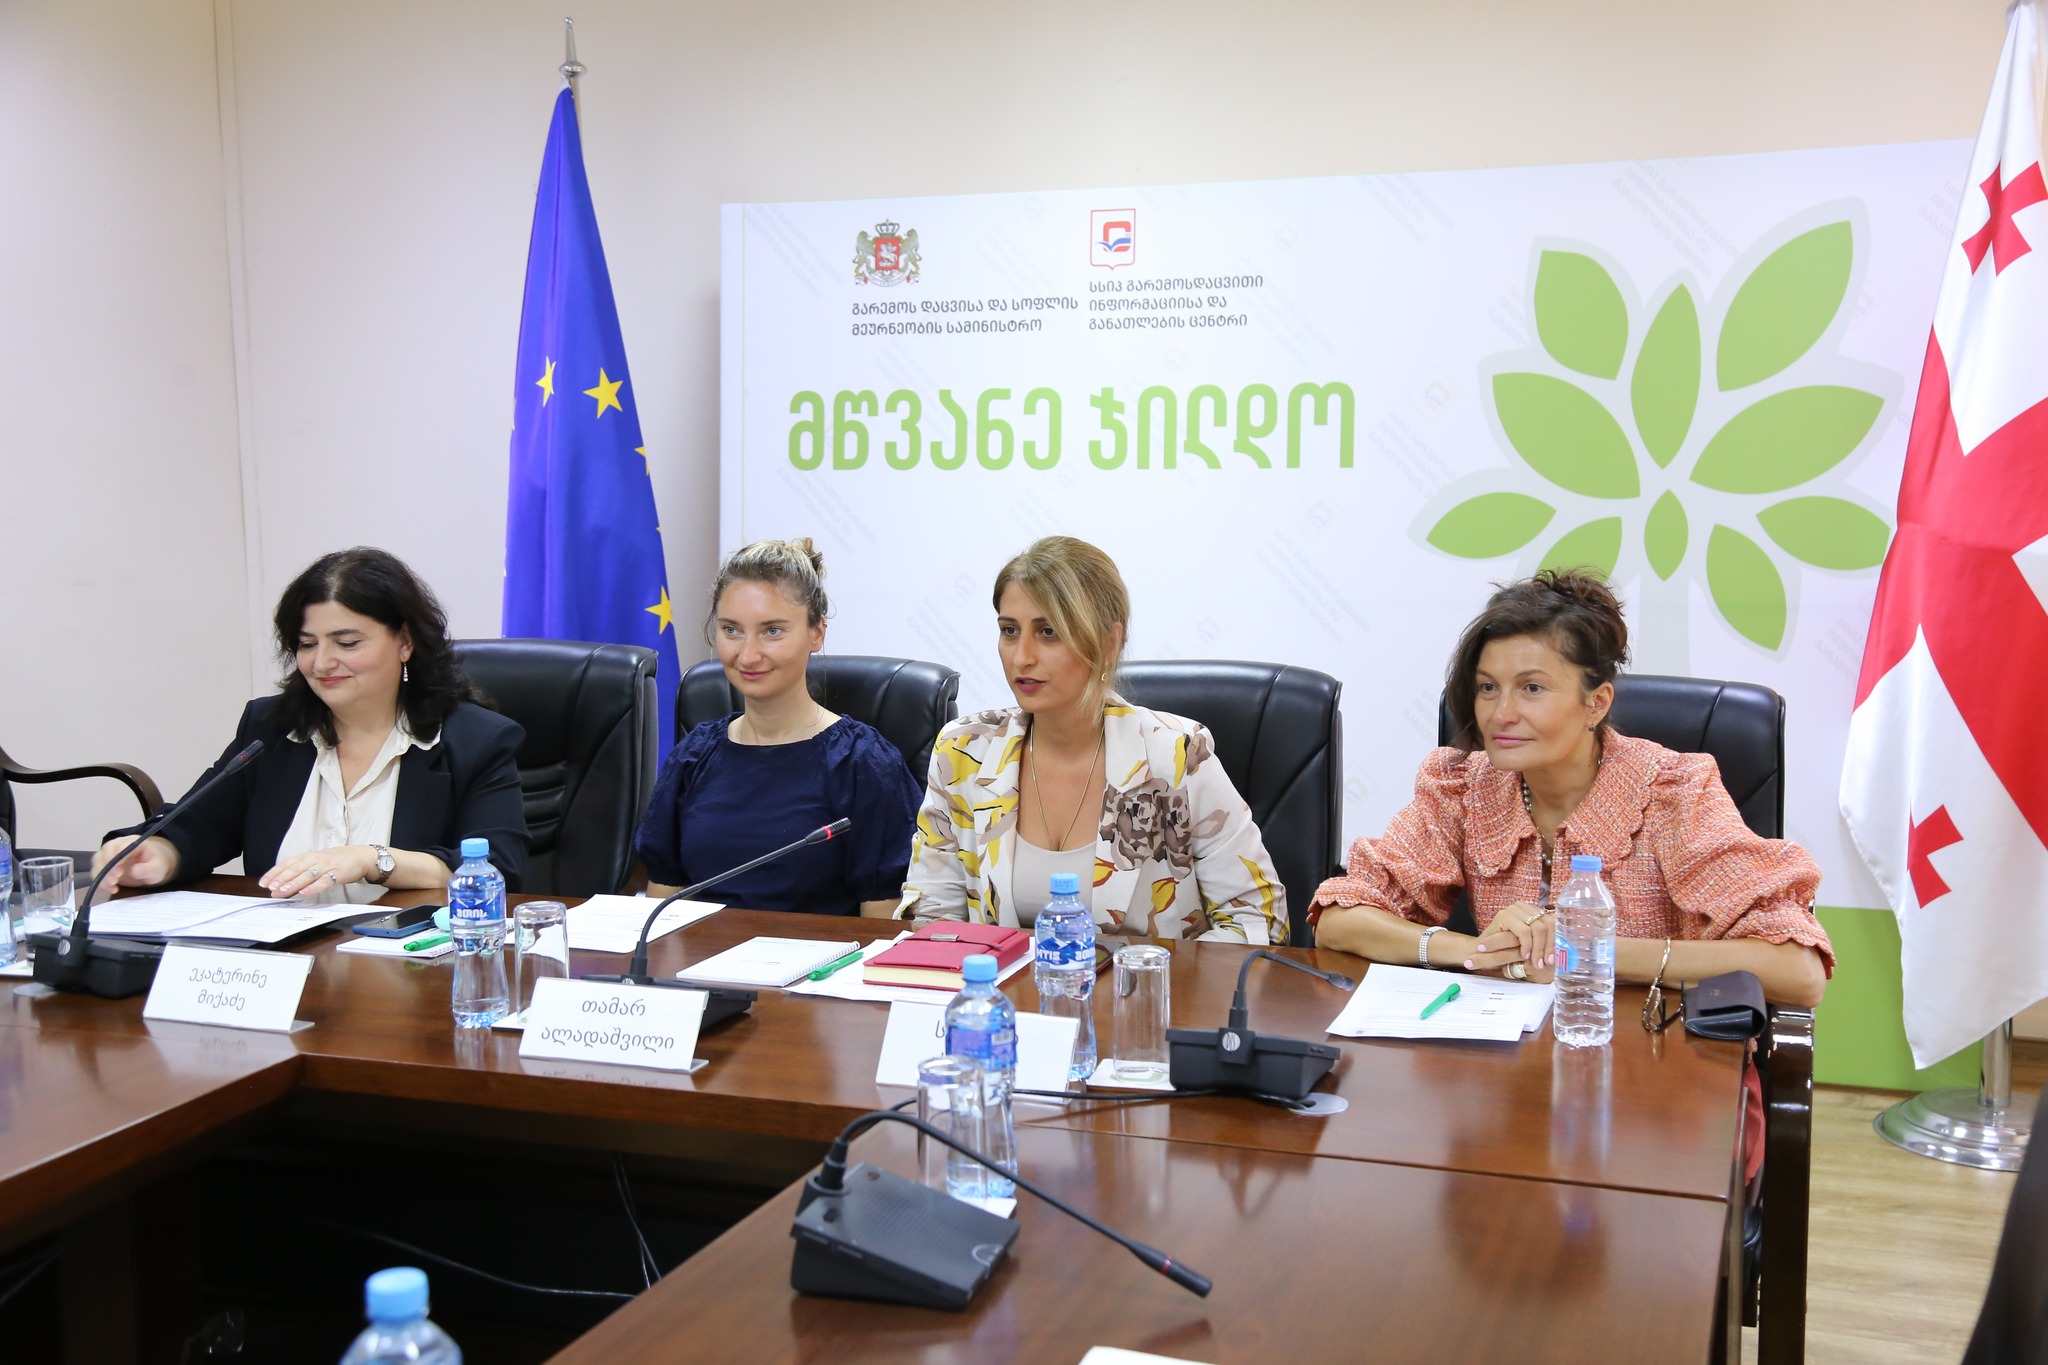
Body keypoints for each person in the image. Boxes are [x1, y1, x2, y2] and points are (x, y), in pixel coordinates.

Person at [1308, 570, 1832, 1008]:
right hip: (1506, 1056)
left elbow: (1798, 971)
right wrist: (1475, 951)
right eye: (1488, 687)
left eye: (1532, 688)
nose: (1501, 713)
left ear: (1596, 703)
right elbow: (1339, 919)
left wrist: (1582, 950)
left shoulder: (1673, 792)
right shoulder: (1464, 784)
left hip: (1653, 1062)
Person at [897, 535, 1286, 943]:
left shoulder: (1178, 753)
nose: (1021, 656)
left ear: (1109, 643)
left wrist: (1147, 975)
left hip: (1146, 984)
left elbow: (1260, 921)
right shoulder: (963, 751)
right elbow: (928, 916)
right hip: (1001, 984)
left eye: (1048, 632)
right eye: (1009, 630)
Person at [91, 547, 527, 903]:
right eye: (306, 644)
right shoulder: (272, 728)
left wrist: (372, 859)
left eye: (347, 643)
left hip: (409, 964)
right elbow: (199, 825)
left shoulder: (475, 741)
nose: (321, 663)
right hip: (284, 961)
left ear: (405, 642)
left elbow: (497, 868)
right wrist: (159, 853)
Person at [634, 538, 920, 917]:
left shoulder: (864, 762)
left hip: (823, 956)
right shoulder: (693, 755)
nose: (748, 655)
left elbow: (885, 927)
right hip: (702, 954)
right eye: (732, 630)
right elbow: (660, 912)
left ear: (816, 632)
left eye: (772, 631)